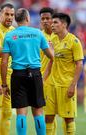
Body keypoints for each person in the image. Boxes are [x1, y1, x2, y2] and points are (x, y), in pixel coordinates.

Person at [1, 8, 54, 135]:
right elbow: (51, 57)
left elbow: (3, 62)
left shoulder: (9, 36)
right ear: (28, 18)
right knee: (38, 112)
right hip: (35, 74)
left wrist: (4, 84)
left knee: (21, 113)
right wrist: (51, 49)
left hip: (18, 76)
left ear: (16, 19)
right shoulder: (37, 33)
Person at [51, 13, 84, 135]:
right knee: (49, 116)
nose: (52, 25)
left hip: (66, 85)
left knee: (68, 118)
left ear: (64, 24)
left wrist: (73, 85)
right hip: (52, 84)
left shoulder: (74, 41)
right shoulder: (53, 40)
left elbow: (79, 64)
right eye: (52, 22)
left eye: (55, 22)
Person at [0, 3, 15, 135]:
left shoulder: (14, 31)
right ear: (0, 14)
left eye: (12, 15)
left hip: (10, 77)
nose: (9, 17)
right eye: (6, 14)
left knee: (7, 113)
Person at [38, 7, 57, 135]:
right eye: (43, 19)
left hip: (59, 79)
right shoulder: (38, 36)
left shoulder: (60, 35)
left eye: (48, 18)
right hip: (43, 79)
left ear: (53, 20)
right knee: (47, 114)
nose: (45, 21)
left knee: (55, 114)